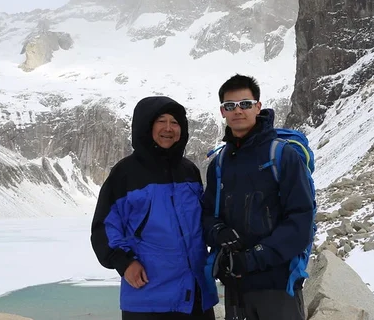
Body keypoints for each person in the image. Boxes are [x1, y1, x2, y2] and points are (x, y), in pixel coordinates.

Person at [91, 96, 218, 320]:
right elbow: (105, 227)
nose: (169, 128)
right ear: (146, 125)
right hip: (148, 299)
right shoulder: (125, 174)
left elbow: (202, 223)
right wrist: (124, 262)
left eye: (175, 122)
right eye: (161, 121)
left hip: (197, 295)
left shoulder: (189, 171)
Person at [202, 75, 314, 320]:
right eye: (230, 106)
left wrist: (253, 259)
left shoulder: (282, 156)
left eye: (245, 104)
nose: (238, 111)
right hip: (236, 285)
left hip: (277, 284)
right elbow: (206, 214)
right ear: (222, 112)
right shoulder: (219, 164)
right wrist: (218, 232)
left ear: (258, 107)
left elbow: (301, 221)